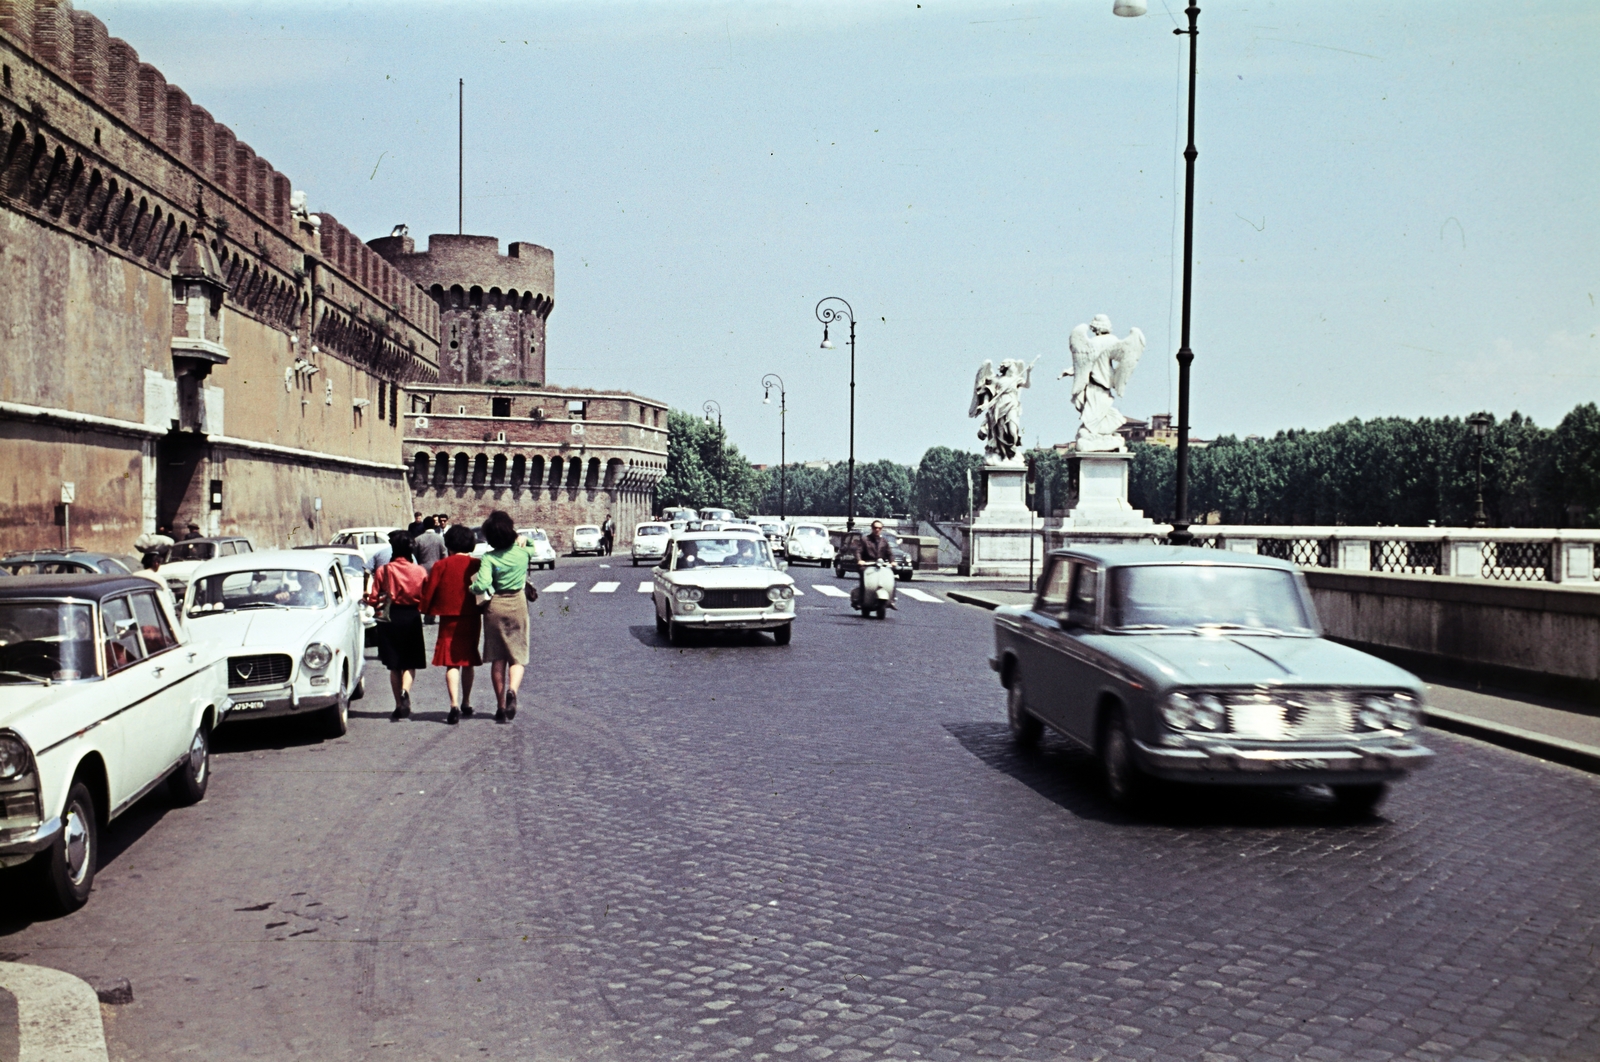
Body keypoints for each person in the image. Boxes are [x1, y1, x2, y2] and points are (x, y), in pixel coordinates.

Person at [469, 510, 532, 724]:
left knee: (498, 658)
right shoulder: (522, 554)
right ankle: (512, 690)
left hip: (495, 606)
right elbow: (531, 546)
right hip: (517, 603)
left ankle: (500, 706)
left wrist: (472, 587)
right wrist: (522, 538)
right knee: (517, 655)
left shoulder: (489, 557)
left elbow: (482, 584)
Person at [420, 524, 482, 726]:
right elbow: (480, 593)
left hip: (448, 618)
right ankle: (466, 701)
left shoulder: (441, 565)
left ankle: (454, 704)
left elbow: (430, 591)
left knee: (451, 662)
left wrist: (425, 609)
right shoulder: (476, 564)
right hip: (471, 616)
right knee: (469, 658)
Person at [366, 530, 428, 721]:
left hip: (389, 617)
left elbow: (375, 598)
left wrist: (368, 600)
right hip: (411, 616)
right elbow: (425, 597)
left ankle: (398, 704)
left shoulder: (383, 571)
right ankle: (405, 690)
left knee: (394, 665)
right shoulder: (419, 571)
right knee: (410, 661)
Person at [857, 520, 897, 609]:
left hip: (881, 565)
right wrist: (860, 560)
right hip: (868, 564)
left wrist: (892, 561)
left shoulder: (884, 541)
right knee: (864, 580)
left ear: (881, 529)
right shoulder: (865, 540)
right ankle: (861, 600)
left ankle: (892, 599)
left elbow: (889, 553)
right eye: (875, 528)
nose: (877, 530)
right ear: (872, 528)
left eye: (879, 528)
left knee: (892, 577)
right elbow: (858, 551)